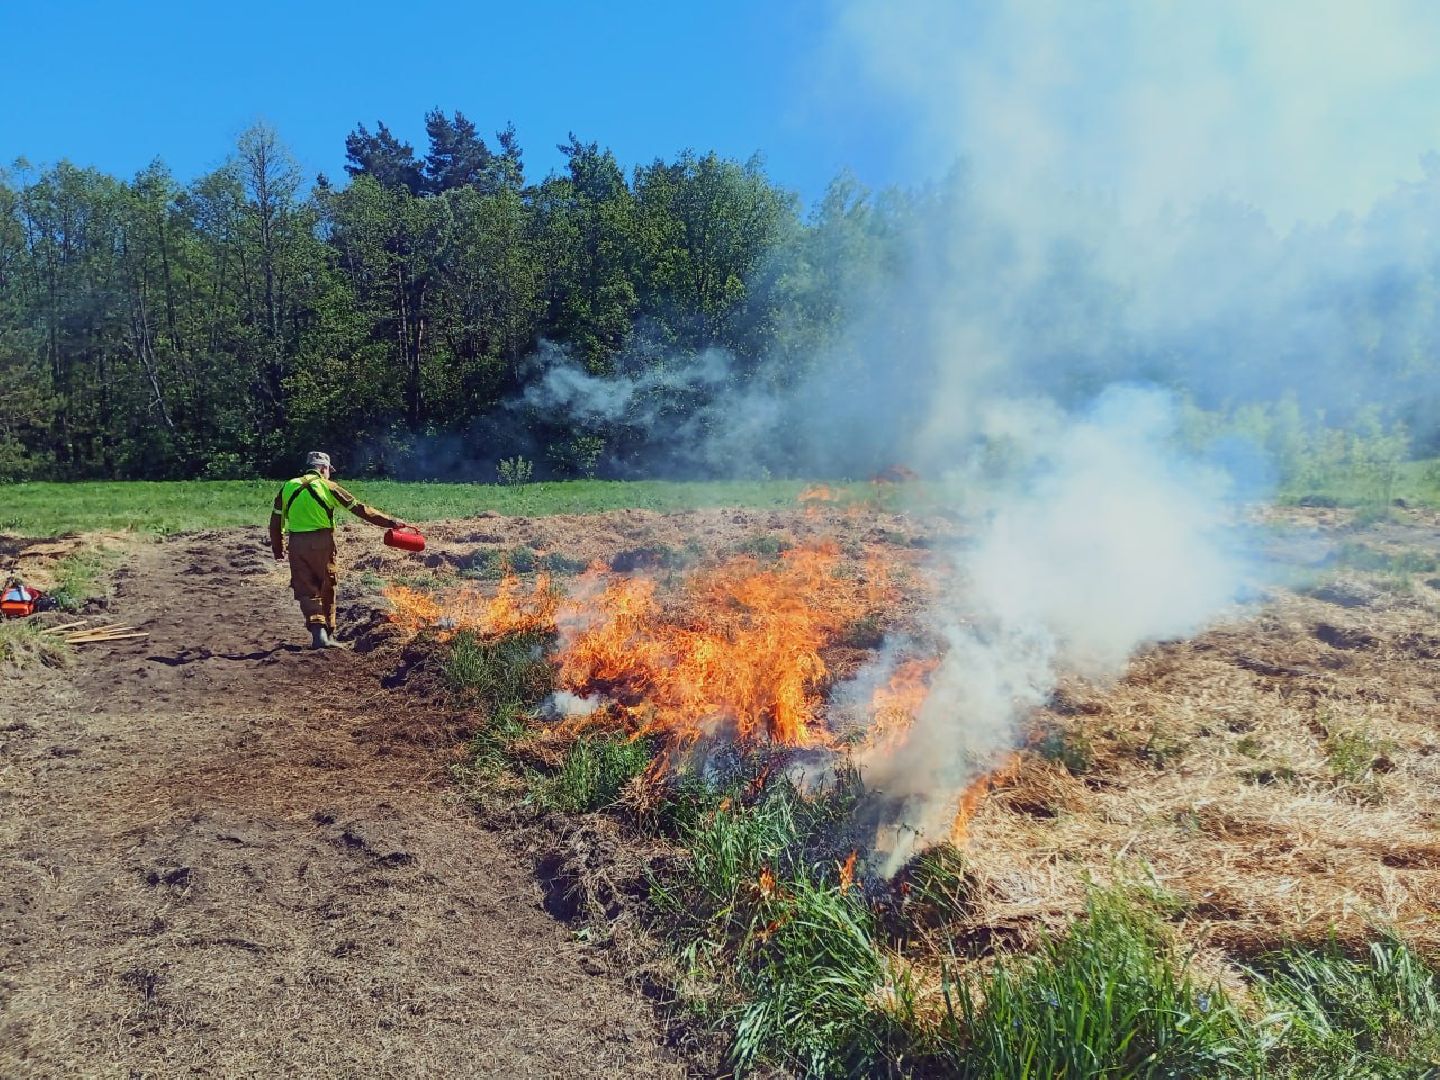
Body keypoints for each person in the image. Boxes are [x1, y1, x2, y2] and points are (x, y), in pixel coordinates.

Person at [269, 451, 408, 649]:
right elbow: (360, 509)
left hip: (297, 544)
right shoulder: (329, 486)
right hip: (322, 542)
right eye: (329, 471)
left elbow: (275, 522)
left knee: (305, 589)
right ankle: (329, 635)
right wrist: (390, 522)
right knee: (327, 584)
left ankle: (319, 634)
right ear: (324, 469)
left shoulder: (288, 487)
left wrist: (278, 548)